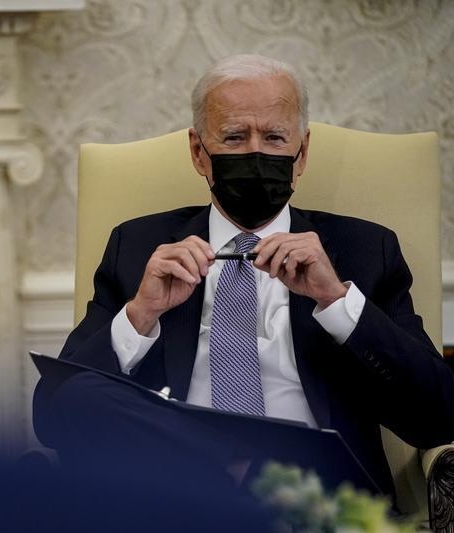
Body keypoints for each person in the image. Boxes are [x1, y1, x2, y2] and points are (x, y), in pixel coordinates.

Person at [33, 54, 454, 501]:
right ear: (199, 152)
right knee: (82, 393)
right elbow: (55, 413)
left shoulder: (365, 250)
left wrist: (336, 301)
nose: (256, 154)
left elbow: (439, 416)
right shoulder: (137, 247)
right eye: (234, 137)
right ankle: (223, 475)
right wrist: (140, 314)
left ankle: (237, 475)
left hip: (319, 500)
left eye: (274, 137)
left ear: (302, 153)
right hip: (178, 499)